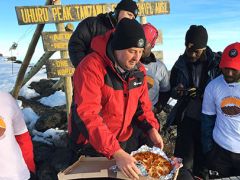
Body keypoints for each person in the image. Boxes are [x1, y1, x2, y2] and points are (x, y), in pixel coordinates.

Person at [68, 18, 164, 179]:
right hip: (90, 145)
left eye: (140, 51)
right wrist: (115, 151)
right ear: (118, 47)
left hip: (121, 141)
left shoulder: (138, 70)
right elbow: (87, 114)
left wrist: (151, 128)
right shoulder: (91, 67)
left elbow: (143, 107)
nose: (137, 58)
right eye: (132, 51)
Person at [168, 25, 221, 178]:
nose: (191, 54)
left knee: (205, 164)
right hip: (187, 116)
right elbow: (172, 88)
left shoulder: (217, 63)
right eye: (188, 49)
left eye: (195, 51)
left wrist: (207, 95)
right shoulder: (180, 63)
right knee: (183, 163)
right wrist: (177, 91)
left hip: (211, 120)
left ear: (203, 48)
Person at [201, 42, 240, 178]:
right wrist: (209, 151)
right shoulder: (213, 86)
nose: (228, 73)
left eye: (234, 69)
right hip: (220, 152)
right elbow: (207, 121)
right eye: (226, 68)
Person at [68, 0, 139, 68]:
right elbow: (76, 45)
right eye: (129, 14)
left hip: (111, 78)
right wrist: (85, 69)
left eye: (133, 18)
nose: (130, 19)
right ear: (117, 12)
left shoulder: (126, 34)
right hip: (90, 74)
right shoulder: (93, 24)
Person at [0, 92, 35, 180]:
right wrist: (30, 168)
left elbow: (22, 137)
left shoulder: (6, 98)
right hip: (16, 173)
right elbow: (23, 138)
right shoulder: (6, 98)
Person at [141, 23, 170, 114]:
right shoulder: (129, 63)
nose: (140, 46)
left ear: (152, 45)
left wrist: (157, 108)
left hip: (149, 115)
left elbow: (165, 91)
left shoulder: (159, 67)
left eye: (144, 43)